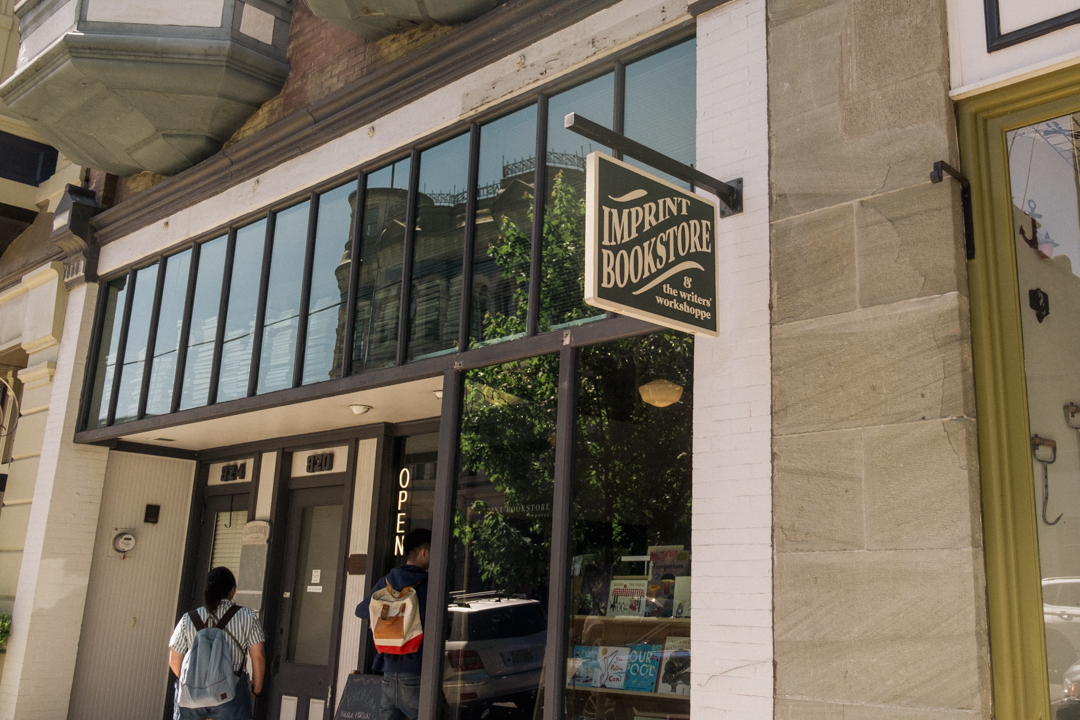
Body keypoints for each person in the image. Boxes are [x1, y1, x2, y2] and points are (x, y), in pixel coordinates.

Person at [168, 567, 266, 720]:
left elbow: (174, 660)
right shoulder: (247, 616)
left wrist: (196, 683)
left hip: (192, 694)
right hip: (231, 689)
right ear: (232, 590)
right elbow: (258, 656)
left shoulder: (188, 618)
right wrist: (256, 688)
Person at [356, 528, 431, 720]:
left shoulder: (386, 582)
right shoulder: (428, 584)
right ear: (424, 552)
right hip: (416, 669)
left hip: (388, 671)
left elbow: (361, 610)